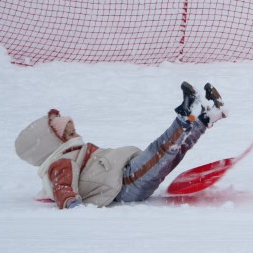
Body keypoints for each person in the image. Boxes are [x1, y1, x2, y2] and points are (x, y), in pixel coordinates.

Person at [14, 82, 228, 209]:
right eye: (68, 133)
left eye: (73, 129)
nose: (75, 133)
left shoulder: (74, 153)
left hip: (126, 173)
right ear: (54, 144)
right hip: (124, 185)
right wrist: (71, 203)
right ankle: (185, 116)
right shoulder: (60, 163)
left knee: (173, 152)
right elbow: (63, 187)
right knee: (161, 150)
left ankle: (206, 118)